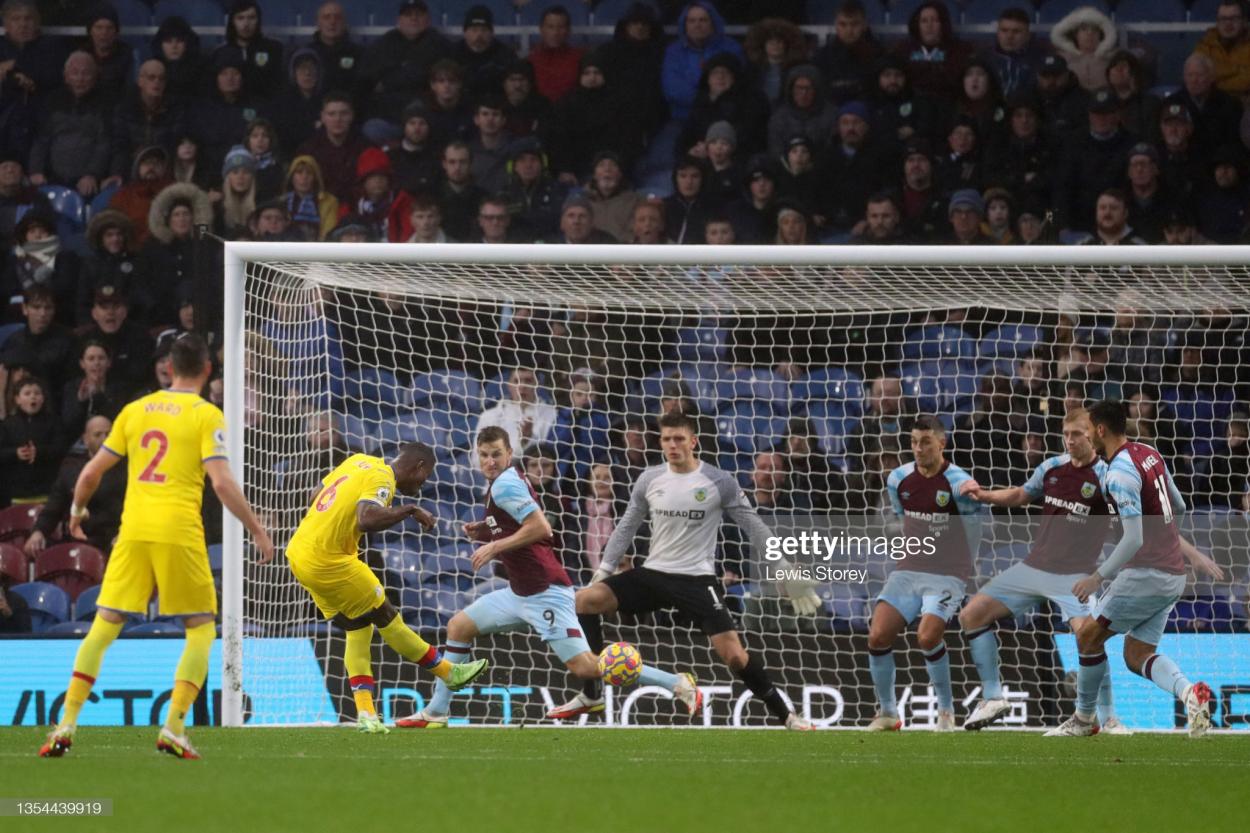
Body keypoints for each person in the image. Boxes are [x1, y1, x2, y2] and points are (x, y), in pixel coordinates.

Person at [37, 335, 274, 759]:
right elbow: (220, 482)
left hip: (133, 532)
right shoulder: (206, 414)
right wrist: (256, 528)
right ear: (206, 370)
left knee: (104, 626)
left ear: (169, 367)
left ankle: (65, 724)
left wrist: (75, 511)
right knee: (200, 629)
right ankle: (174, 726)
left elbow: (90, 472)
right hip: (179, 531)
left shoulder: (135, 409)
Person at [549, 411, 819, 728]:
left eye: (679, 439)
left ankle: (787, 716)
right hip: (654, 574)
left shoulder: (719, 481)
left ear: (693, 441)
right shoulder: (649, 479)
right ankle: (593, 695)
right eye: (667, 439)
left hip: (697, 580)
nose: (672, 445)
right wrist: (604, 572)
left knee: (734, 656)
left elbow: (755, 528)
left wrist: (785, 567)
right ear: (660, 442)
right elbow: (625, 528)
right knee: (584, 600)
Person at [396, 426, 598, 728]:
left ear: (510, 455)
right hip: (519, 592)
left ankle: (674, 682)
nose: (490, 461)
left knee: (584, 667)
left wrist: (494, 545)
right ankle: (437, 711)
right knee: (459, 626)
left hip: (544, 589)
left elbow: (542, 528)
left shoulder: (505, 485)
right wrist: (487, 531)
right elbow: (516, 526)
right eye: (484, 455)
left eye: (497, 454)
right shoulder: (502, 483)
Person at [287, 441, 489, 733]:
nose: (423, 483)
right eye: (426, 476)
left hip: (299, 554)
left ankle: (367, 714)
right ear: (418, 467)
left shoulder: (357, 461)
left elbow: (314, 495)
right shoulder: (383, 478)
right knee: (386, 616)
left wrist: (331, 528)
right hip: (332, 561)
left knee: (358, 628)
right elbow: (366, 519)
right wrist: (409, 509)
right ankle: (450, 672)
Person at [1047, 399, 1218, 737]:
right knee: (1137, 653)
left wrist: (1098, 577)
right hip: (1173, 574)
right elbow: (1179, 505)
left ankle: (1084, 720)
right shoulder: (1148, 452)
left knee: (1087, 637)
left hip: (1146, 573)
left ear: (1100, 430)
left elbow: (1134, 539)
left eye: (1088, 430)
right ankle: (1190, 694)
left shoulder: (1119, 473)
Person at [956, 410, 1125, 731]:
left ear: (1094, 435)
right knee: (971, 615)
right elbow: (1021, 494)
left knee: (1089, 639)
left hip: (1075, 576)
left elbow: (1127, 525)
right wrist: (984, 495)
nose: (1071, 440)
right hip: (1034, 567)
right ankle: (993, 697)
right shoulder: (1051, 467)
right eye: (1067, 434)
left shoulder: (1107, 477)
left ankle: (1108, 717)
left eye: (1077, 434)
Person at [867, 414, 985, 731]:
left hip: (948, 573)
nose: (919, 449)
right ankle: (888, 713)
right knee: (878, 635)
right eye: (914, 442)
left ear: (941, 443)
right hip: (909, 568)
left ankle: (946, 712)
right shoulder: (898, 479)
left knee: (927, 635)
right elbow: (904, 517)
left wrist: (965, 569)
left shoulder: (960, 482)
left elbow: (975, 530)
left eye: (926, 442)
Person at [26, 414, 125, 556]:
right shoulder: (70, 469)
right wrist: (38, 531)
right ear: (85, 439)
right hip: (77, 539)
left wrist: (123, 535)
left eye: (109, 434)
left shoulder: (127, 468)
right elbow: (54, 506)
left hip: (113, 539)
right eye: (98, 435)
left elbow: (135, 509)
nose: (104, 439)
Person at [28, 51, 113, 197]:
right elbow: (41, 140)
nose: (80, 79)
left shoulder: (106, 104)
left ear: (95, 77)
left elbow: (104, 143)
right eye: (75, 73)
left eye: (86, 74)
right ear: (66, 77)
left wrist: (92, 174)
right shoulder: (52, 101)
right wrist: (36, 170)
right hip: (52, 178)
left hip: (89, 181)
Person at [212, 0, 284, 100]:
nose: (246, 24)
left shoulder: (274, 49)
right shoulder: (220, 52)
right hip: (232, 110)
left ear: (258, 20)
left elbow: (281, 86)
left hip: (266, 109)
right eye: (240, 18)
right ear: (232, 21)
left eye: (251, 18)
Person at [475, 367, 559, 453]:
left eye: (528, 381)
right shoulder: (489, 416)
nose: (522, 386)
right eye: (516, 381)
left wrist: (527, 440)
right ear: (509, 385)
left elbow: (553, 454)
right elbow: (477, 459)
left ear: (537, 385)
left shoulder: (552, 415)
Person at [1050, 6, 1118, 92]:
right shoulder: (1061, 59)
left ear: (1101, 35)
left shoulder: (1114, 58)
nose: (1090, 33)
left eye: (1094, 29)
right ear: (1076, 34)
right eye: (1084, 29)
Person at [527, 5, 583, 103]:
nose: (555, 33)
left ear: (568, 30)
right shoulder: (530, 61)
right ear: (541, 30)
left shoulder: (580, 59)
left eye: (561, 27)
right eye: (550, 27)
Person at [1195, 0, 1250, 96]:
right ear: (1217, 22)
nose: (1228, 24)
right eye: (1223, 19)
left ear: (1244, 21)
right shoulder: (1206, 44)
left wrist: (1216, 78)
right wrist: (1238, 70)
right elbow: (1199, 78)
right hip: (1214, 105)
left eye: (1234, 18)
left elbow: (1247, 81)